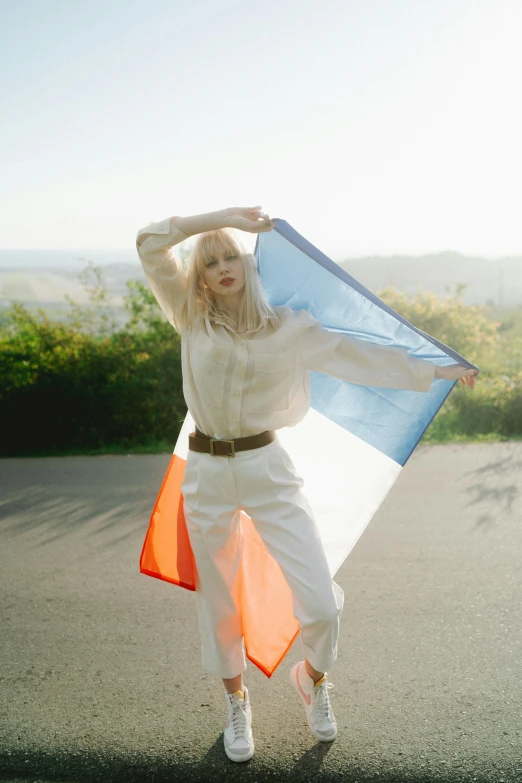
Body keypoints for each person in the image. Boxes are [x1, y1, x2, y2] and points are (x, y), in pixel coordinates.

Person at [136, 206, 478, 763]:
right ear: (199, 275)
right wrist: (223, 218)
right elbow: (150, 242)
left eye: (233, 257)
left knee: (320, 603)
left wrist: (437, 370)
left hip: (267, 468)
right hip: (206, 473)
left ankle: (313, 677)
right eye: (212, 260)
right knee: (219, 600)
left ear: (249, 266)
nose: (225, 267)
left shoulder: (289, 327)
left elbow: (360, 358)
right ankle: (236, 701)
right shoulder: (190, 316)